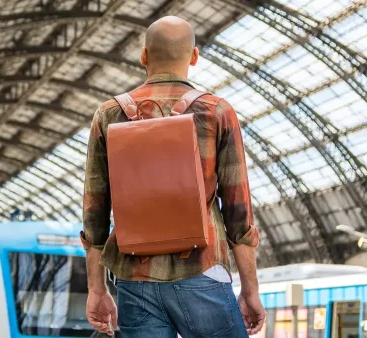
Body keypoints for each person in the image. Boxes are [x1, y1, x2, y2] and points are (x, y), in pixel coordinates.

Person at [80, 16, 265, 338]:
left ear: (144, 56)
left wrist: (96, 289)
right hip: (202, 269)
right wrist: (251, 290)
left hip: (133, 278)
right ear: (194, 57)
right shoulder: (217, 111)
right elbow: (238, 209)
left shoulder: (109, 114)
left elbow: (95, 211)